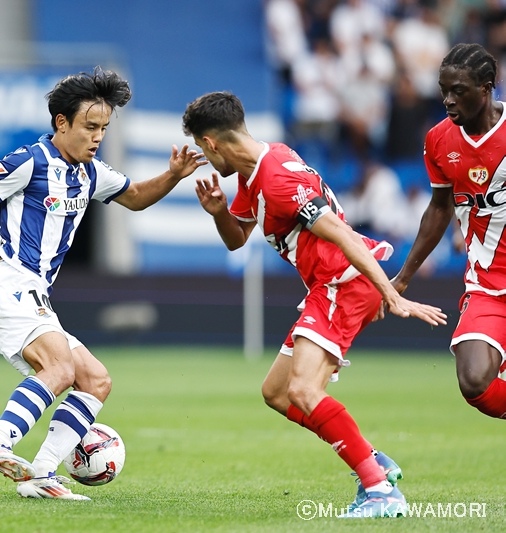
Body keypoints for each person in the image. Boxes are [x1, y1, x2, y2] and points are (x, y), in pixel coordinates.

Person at [0, 67, 206, 500]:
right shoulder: (31, 160)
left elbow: (135, 197)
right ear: (62, 123)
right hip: (9, 284)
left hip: (32, 295)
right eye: (89, 126)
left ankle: (41, 474)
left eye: (103, 128)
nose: (97, 136)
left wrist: (173, 174)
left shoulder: (91, 173)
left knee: (96, 380)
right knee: (59, 369)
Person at [183, 91, 446, 518]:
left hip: (341, 281)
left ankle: (379, 490)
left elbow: (342, 233)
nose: (207, 160)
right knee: (277, 393)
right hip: (332, 284)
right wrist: (218, 213)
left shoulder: (278, 180)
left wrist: (389, 292)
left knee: (303, 390)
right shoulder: (256, 172)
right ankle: (370, 459)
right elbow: (237, 239)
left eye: (202, 150)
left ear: (212, 143)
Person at [390, 43, 506, 421]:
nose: (448, 100)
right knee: (474, 381)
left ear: (487, 87)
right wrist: (403, 278)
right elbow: (440, 208)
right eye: (444, 90)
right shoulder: (438, 140)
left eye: (459, 91)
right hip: (488, 285)